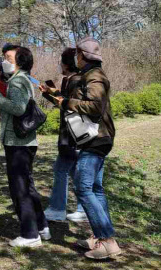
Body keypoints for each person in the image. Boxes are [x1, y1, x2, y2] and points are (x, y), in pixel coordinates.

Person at [48, 37, 121, 260]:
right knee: (95, 190)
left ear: (83, 56)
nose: (76, 58)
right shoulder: (90, 75)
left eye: (78, 54)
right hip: (96, 139)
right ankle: (99, 238)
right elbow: (79, 102)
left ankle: (106, 239)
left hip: (96, 140)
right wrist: (56, 96)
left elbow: (95, 107)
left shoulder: (95, 75)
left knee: (83, 188)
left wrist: (66, 102)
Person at [0, 45, 50, 248]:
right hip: (24, 142)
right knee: (28, 185)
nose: (4, 60)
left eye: (8, 58)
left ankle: (30, 234)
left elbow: (18, 108)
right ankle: (42, 226)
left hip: (18, 143)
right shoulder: (22, 79)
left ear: (20, 62)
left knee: (20, 188)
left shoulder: (18, 81)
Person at [40, 48, 87, 223]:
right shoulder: (73, 80)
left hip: (71, 134)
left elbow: (68, 106)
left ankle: (57, 209)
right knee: (75, 171)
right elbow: (63, 101)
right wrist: (48, 92)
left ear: (67, 64)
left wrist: (50, 92)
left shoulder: (74, 81)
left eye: (61, 61)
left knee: (61, 169)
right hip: (73, 134)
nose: (59, 64)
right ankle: (83, 208)